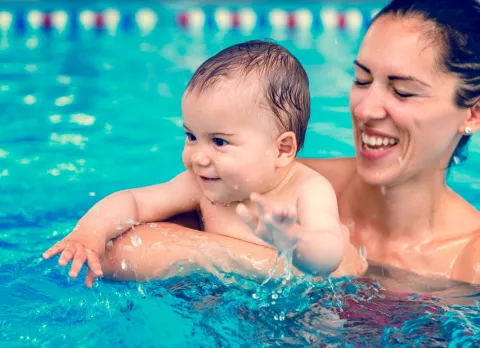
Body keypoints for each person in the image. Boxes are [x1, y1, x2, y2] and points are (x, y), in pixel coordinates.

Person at [83, 0, 480, 287]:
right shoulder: (267, 180)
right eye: (361, 80)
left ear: (472, 114)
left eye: (403, 91)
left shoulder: (470, 262)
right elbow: (117, 254)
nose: (367, 108)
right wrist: (271, 263)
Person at [43, 40, 355, 288]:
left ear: (282, 149)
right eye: (191, 136)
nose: (197, 157)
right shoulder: (200, 184)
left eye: (219, 142)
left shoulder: (308, 190)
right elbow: (134, 201)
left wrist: (295, 242)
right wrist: (89, 233)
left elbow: (329, 254)